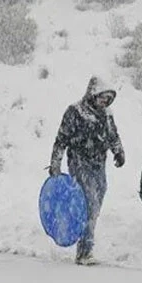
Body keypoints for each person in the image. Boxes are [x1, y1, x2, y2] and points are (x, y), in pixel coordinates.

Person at [49, 76, 125, 265]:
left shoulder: (107, 114)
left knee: (96, 204)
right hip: (79, 162)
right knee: (89, 203)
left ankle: (84, 240)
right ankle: (84, 252)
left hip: (99, 163)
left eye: (108, 99)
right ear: (92, 94)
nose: (104, 101)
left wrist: (119, 151)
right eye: (102, 97)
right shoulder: (75, 112)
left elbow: (113, 134)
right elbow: (61, 138)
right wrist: (55, 162)